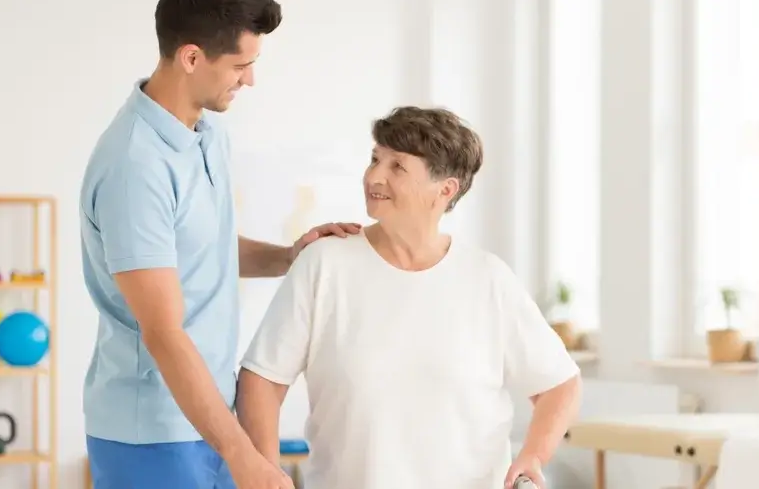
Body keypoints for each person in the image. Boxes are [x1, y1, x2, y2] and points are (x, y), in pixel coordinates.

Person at [78, 0, 359, 489]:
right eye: (240, 65)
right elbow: (162, 334)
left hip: (208, 419)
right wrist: (243, 452)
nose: (249, 79)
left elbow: (199, 249)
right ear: (191, 57)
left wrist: (289, 256)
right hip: (154, 433)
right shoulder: (134, 166)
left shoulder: (206, 134)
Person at [236, 106, 583, 489]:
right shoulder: (325, 263)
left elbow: (560, 385)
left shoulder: (488, 279)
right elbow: (262, 381)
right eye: (374, 159)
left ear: (445, 189)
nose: (374, 176)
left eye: (397, 166)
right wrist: (265, 471)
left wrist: (533, 455)